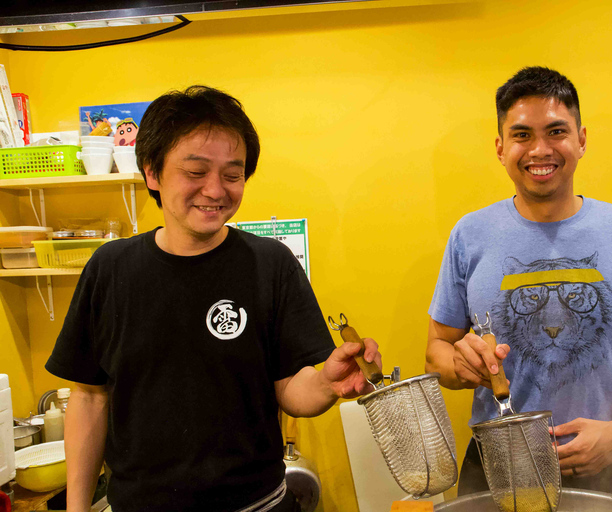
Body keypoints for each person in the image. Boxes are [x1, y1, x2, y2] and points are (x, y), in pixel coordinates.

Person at [46, 86, 381, 512]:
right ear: (152, 172)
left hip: (258, 504)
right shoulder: (110, 268)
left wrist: (327, 383)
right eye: (195, 171)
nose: (216, 190)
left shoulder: (269, 263)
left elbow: (291, 389)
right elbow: (90, 397)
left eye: (232, 174)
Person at [425, 67, 612, 503]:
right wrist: (458, 366)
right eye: (522, 135)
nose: (540, 150)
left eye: (556, 131)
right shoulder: (469, 235)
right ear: (500, 148)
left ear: (582, 139)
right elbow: (436, 350)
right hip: (498, 460)